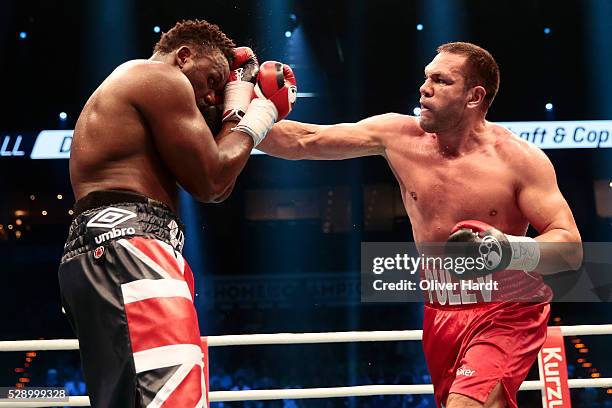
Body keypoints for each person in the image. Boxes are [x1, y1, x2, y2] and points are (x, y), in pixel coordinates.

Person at [258, 42, 582, 408]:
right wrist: (235, 116)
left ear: (474, 97)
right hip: (440, 310)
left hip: (507, 308)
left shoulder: (519, 161)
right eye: (427, 77)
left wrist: (504, 249)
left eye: (441, 81)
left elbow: (569, 247)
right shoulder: (398, 137)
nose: (424, 88)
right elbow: (304, 140)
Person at [58, 19, 297, 407]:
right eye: (212, 80)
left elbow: (217, 184)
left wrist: (234, 106)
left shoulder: (138, 93)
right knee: (175, 399)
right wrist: (261, 114)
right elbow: (213, 181)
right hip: (130, 249)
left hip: (108, 249)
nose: (210, 97)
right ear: (184, 56)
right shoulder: (158, 76)